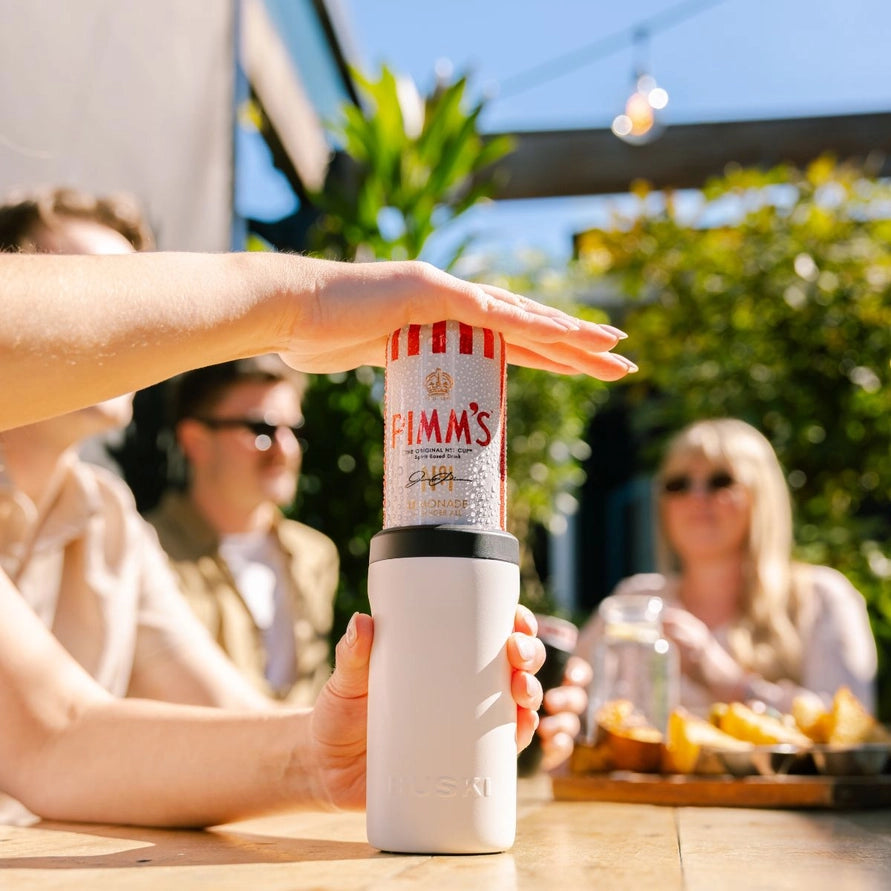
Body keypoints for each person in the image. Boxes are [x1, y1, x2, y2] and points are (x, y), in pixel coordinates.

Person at [0, 225, 635, 825]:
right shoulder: (153, 532)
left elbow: (58, 736)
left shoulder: (109, 518)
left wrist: (341, 752)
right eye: (94, 285)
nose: (135, 315)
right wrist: (301, 302)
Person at [576, 418, 878, 716]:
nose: (697, 497)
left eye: (720, 481)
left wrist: (726, 680)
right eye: (677, 485)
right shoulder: (635, 599)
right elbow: (569, 699)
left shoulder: (821, 596)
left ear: (762, 495)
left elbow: (852, 725)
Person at [148, 356, 337, 704]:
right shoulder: (144, 551)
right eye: (262, 430)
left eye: (295, 430)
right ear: (194, 441)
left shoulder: (316, 554)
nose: (287, 449)